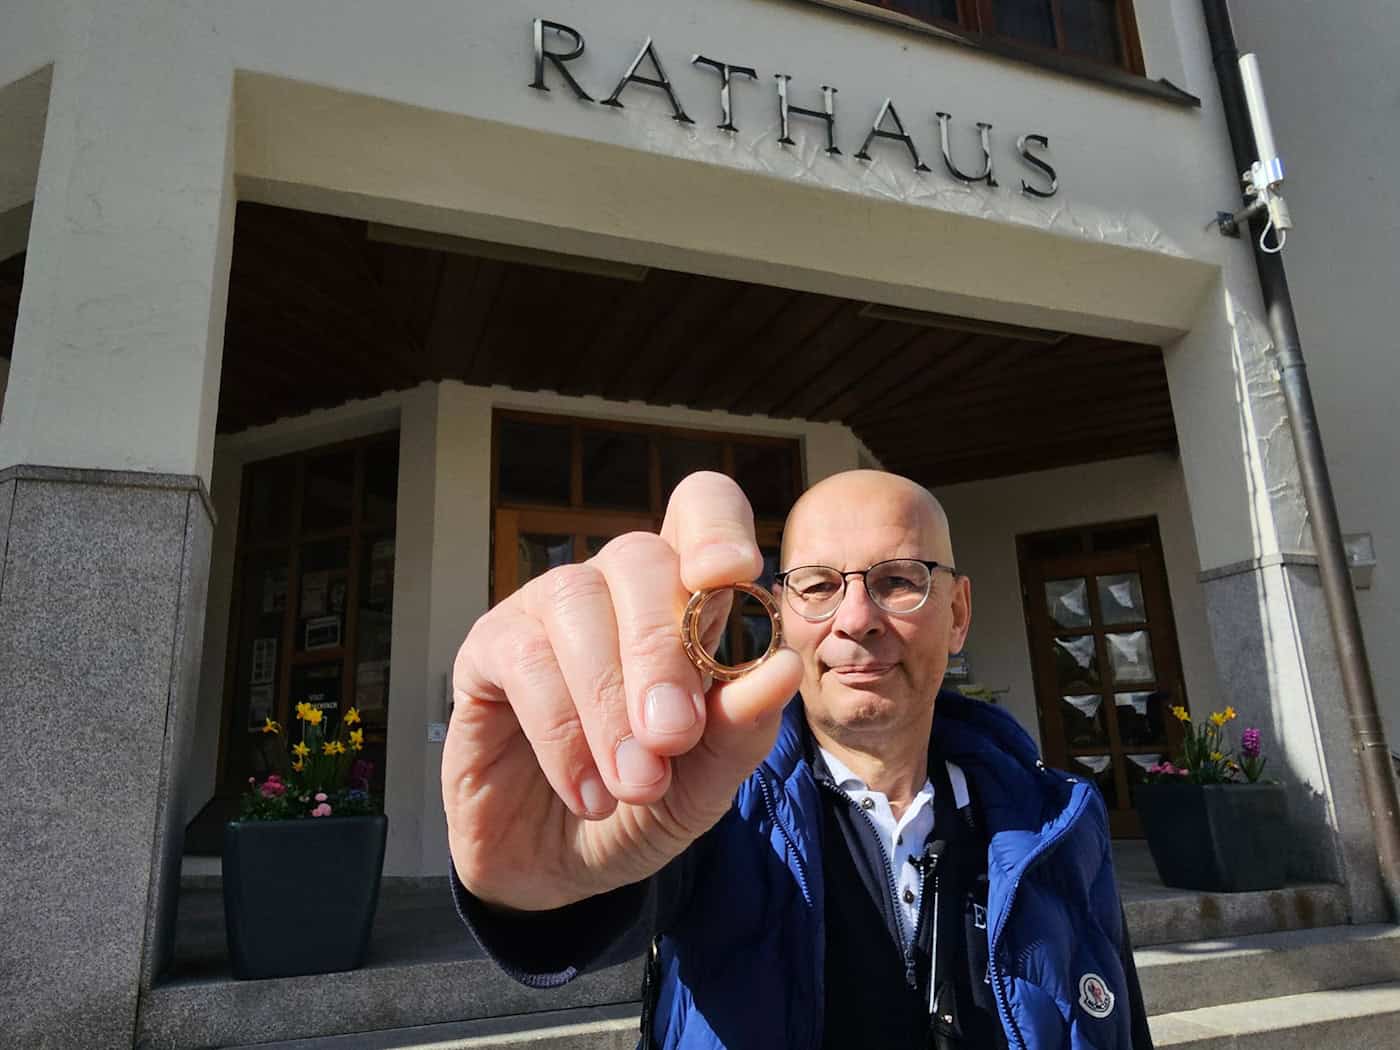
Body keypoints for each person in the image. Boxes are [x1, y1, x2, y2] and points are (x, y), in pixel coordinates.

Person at [444, 470, 1153, 1049]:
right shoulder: (707, 809)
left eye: (899, 580)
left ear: (959, 613)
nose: (856, 619)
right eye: (818, 585)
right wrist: (537, 889)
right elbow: (608, 897)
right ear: (780, 613)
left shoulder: (1061, 820)